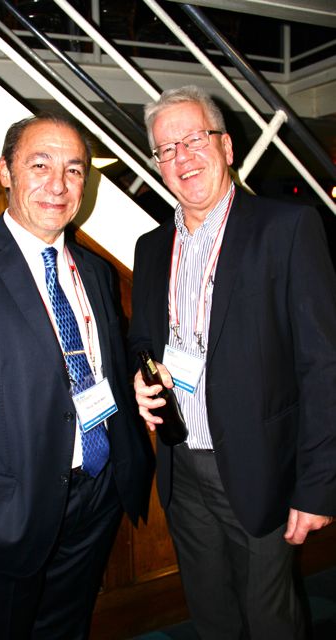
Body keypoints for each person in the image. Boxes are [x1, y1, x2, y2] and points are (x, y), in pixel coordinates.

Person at [0, 111, 153, 640]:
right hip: (9, 511)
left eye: (73, 169)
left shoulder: (95, 271)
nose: (58, 185)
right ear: (5, 171)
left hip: (99, 491)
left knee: (68, 627)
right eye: (40, 165)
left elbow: (99, 366)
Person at [128, 85, 336, 640]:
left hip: (260, 465)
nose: (182, 157)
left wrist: (318, 485)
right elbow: (141, 340)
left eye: (195, 139)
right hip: (180, 464)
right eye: (166, 149)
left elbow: (324, 366)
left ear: (226, 146)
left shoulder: (287, 229)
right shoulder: (151, 247)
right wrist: (138, 377)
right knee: (210, 612)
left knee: (271, 619)